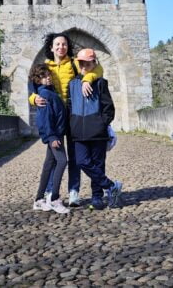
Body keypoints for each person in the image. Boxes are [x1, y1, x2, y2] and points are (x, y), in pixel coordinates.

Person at [28, 32, 103, 207]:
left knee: (75, 154)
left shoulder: (75, 63)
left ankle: (73, 191)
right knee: (55, 157)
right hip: (54, 115)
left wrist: (87, 80)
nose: (61, 47)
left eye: (64, 44)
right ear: (51, 47)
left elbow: (98, 69)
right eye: (57, 44)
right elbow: (33, 88)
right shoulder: (44, 67)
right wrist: (33, 99)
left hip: (74, 113)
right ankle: (49, 192)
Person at [68, 48, 123, 210]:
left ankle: (97, 197)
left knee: (98, 165)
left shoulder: (101, 83)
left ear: (94, 63)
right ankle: (111, 185)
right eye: (81, 62)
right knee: (82, 161)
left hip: (98, 133)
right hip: (78, 132)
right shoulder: (73, 84)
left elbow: (109, 108)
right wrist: (73, 124)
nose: (84, 65)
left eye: (87, 62)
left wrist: (101, 123)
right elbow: (70, 106)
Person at [30, 64, 70, 214]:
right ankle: (54, 199)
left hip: (57, 133)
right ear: (38, 80)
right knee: (62, 161)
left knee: (49, 164)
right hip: (54, 135)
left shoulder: (49, 92)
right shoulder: (45, 94)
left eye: (48, 75)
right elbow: (44, 119)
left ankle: (39, 200)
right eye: (44, 76)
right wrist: (52, 136)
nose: (48, 78)